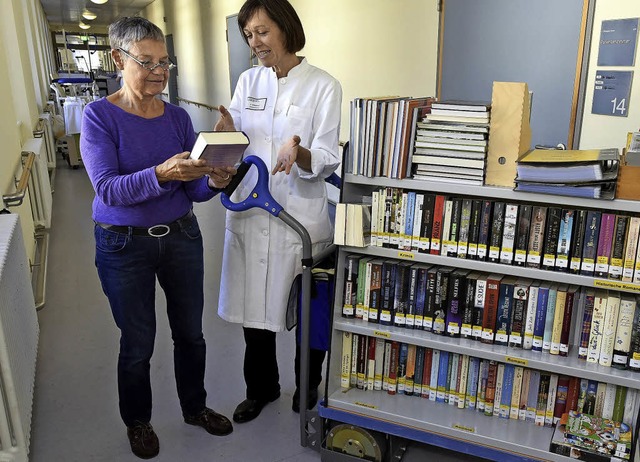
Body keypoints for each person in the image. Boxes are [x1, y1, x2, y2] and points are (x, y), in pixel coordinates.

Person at [80, 17, 236, 460]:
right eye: (146, 61)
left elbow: (193, 190)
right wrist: (161, 172)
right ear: (117, 59)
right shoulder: (99, 116)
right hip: (122, 244)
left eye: (164, 61)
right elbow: (108, 188)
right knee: (138, 342)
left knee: (192, 334)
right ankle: (139, 421)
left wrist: (217, 179)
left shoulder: (179, 118)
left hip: (182, 237)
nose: (159, 70)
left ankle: (195, 408)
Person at [215, 0, 342, 423]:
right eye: (249, 35)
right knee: (255, 311)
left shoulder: (324, 85)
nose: (255, 43)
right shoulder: (247, 81)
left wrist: (299, 151)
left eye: (263, 32)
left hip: (298, 218)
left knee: (308, 312)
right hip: (252, 209)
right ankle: (261, 389)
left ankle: (306, 385)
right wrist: (223, 138)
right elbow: (239, 144)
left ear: (286, 28)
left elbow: (324, 156)